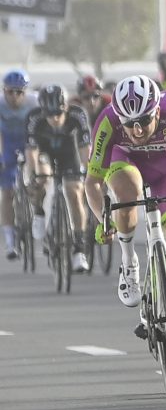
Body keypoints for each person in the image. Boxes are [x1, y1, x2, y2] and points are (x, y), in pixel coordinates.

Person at [84, 76, 166, 371]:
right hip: (125, 163)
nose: (137, 130)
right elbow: (92, 182)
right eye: (129, 124)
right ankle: (129, 261)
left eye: (143, 121)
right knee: (127, 192)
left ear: (157, 111)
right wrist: (102, 219)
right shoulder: (107, 120)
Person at [25, 85, 93, 272]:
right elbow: (31, 151)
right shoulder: (34, 118)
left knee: (75, 192)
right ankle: (39, 211)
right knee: (41, 178)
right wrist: (33, 175)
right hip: (44, 153)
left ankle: (79, 248)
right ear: (42, 111)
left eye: (58, 113)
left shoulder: (77, 114)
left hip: (69, 154)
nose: (54, 118)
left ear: (66, 108)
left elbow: (85, 149)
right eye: (49, 114)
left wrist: (89, 173)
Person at [0, 69, 36, 260]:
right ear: (4, 91)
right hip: (6, 144)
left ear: (25, 92)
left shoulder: (34, 102)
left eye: (19, 92)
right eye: (10, 91)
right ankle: (10, 240)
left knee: (38, 179)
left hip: (29, 142)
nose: (14, 96)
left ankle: (37, 213)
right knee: (7, 193)